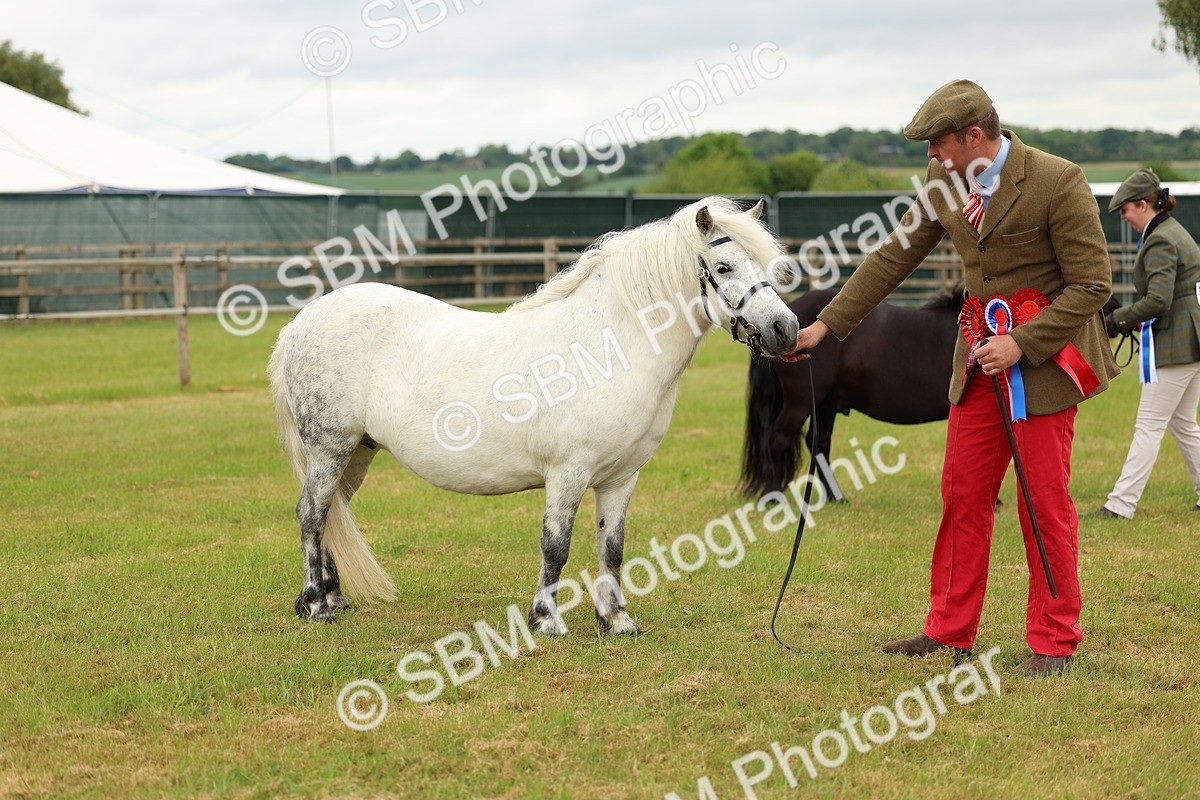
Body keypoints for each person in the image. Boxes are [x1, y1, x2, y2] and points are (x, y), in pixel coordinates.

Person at [783, 79, 1118, 677]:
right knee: (962, 496)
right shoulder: (944, 182)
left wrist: (1022, 342)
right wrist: (825, 328)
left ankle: (1054, 640)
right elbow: (892, 256)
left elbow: (1093, 284)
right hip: (977, 365)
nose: (931, 157)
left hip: (1042, 368)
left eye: (938, 144)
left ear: (975, 135)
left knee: (1043, 504)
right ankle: (948, 631)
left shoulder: (1058, 180)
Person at [1088, 169, 1200, 519]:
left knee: (1149, 425)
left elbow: (1158, 301)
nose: (1123, 217)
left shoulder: (1160, 240)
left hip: (1176, 345)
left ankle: (1120, 505)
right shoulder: (1172, 231)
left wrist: (1116, 321)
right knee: (1183, 423)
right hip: (1190, 341)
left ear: (1143, 205)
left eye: (1125, 210)